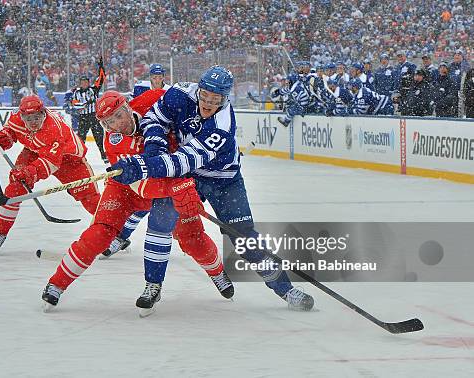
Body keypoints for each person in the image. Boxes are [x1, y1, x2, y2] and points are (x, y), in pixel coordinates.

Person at [108, 66, 315, 311]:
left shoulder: (222, 124)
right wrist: (154, 150)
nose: (207, 104)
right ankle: (152, 285)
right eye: (204, 96)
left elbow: (182, 160)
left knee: (244, 238)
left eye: (215, 100)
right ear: (198, 89)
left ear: (225, 98)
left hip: (224, 180)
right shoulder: (179, 94)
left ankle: (285, 289)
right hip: (190, 177)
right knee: (160, 218)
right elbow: (155, 118)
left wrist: (143, 165)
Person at [41, 89, 234, 314]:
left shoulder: (150, 102)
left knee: (193, 239)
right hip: (129, 189)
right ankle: (56, 284)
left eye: (118, 116)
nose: (116, 125)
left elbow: (179, 95)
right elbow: (143, 186)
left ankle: (217, 272)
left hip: (170, 178)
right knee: (98, 234)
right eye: (108, 123)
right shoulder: (114, 143)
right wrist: (177, 188)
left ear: (127, 108)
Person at [0, 95, 100, 254]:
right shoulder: (15, 118)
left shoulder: (53, 128)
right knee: (15, 188)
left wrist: (30, 172)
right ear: (21, 116)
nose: (33, 122)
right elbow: (11, 132)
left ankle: (116, 233)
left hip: (70, 160)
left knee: (90, 198)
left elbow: (51, 162)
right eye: (28, 118)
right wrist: (2, 139)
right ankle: (0, 232)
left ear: (44, 113)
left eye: (37, 117)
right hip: (34, 152)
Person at [69, 57, 108, 162]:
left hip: (94, 116)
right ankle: (80, 156)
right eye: (82, 82)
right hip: (83, 118)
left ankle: (103, 154)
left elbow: (101, 78)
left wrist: (101, 67)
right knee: (81, 139)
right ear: (80, 83)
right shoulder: (76, 92)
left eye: (86, 82)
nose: (84, 84)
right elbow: (75, 105)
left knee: (99, 137)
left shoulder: (93, 90)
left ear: (88, 82)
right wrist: (85, 103)